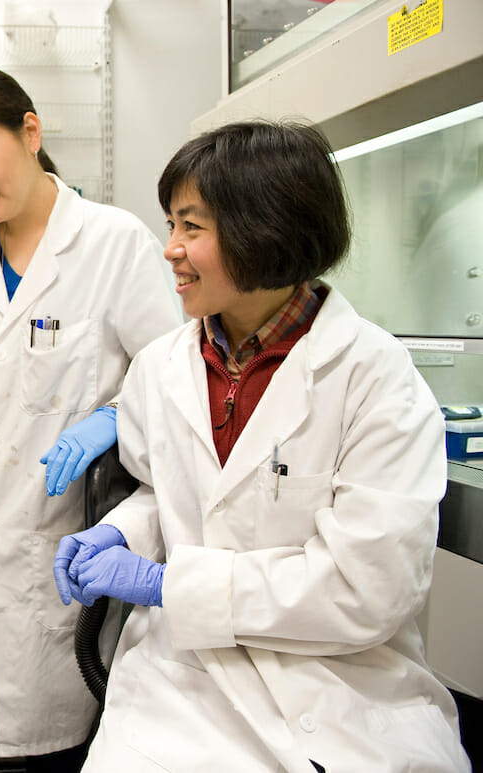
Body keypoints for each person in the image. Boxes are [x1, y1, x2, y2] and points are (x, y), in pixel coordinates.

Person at [52, 120, 472, 772]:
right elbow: (160, 489)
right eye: (171, 225)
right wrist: (123, 535)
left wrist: (167, 583)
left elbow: (368, 586)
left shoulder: (374, 378)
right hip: (183, 679)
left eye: (191, 228)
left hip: (338, 684)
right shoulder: (162, 367)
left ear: (264, 229)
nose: (170, 250)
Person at [0, 67, 180, 772]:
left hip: (54, 536)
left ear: (30, 132)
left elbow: (170, 373)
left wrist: (114, 417)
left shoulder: (115, 243)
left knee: (59, 744)